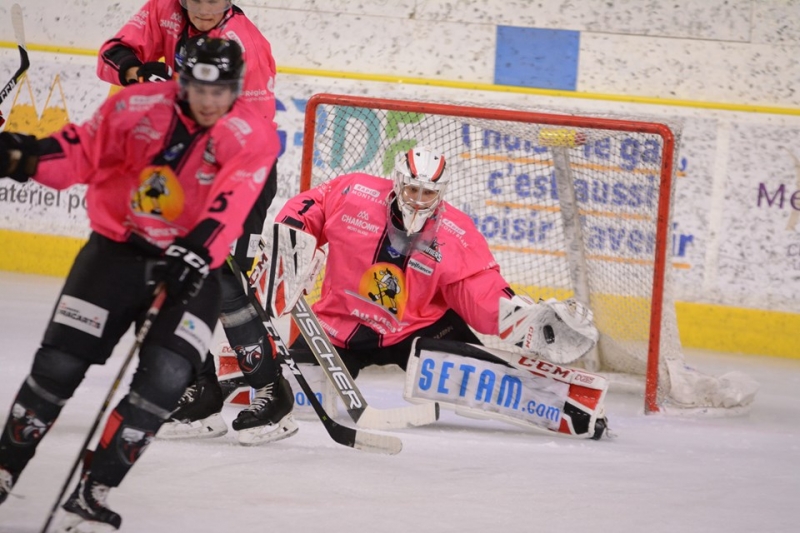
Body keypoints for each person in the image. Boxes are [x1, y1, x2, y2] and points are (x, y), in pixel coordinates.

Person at [0, 36, 279, 530]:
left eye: (223, 92)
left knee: (168, 378)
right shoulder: (134, 107)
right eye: (200, 90)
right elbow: (80, 154)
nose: (211, 103)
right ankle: (4, 470)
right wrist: (23, 156)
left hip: (195, 269)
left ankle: (95, 489)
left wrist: (195, 251)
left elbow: (233, 199)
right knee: (59, 365)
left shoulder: (254, 134)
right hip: (117, 254)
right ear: (182, 81)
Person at [269, 146, 607, 438]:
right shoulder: (355, 193)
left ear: (440, 192)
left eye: (427, 193)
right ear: (398, 182)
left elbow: (477, 288)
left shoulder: (455, 232)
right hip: (339, 325)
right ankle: (246, 372)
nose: (417, 200)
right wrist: (291, 234)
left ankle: (569, 406)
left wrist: (516, 317)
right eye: (412, 189)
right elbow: (314, 204)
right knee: (298, 393)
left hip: (417, 329)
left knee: (482, 377)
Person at [97, 0, 296, 444]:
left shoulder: (246, 44)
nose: (206, 7)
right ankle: (200, 392)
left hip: (241, 170)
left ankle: (271, 390)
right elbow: (112, 53)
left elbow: (252, 131)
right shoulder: (161, 11)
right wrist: (137, 72)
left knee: (222, 283)